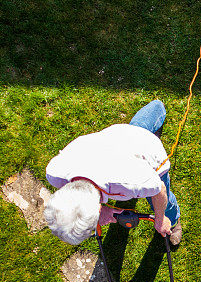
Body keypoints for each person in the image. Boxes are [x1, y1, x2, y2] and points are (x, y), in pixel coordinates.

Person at [44, 99, 182, 246]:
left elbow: (159, 190)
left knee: (159, 201)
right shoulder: (54, 173)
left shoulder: (132, 181)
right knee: (136, 127)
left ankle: (172, 220)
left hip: (145, 150)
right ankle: (155, 108)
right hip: (113, 139)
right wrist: (101, 210)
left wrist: (160, 219)